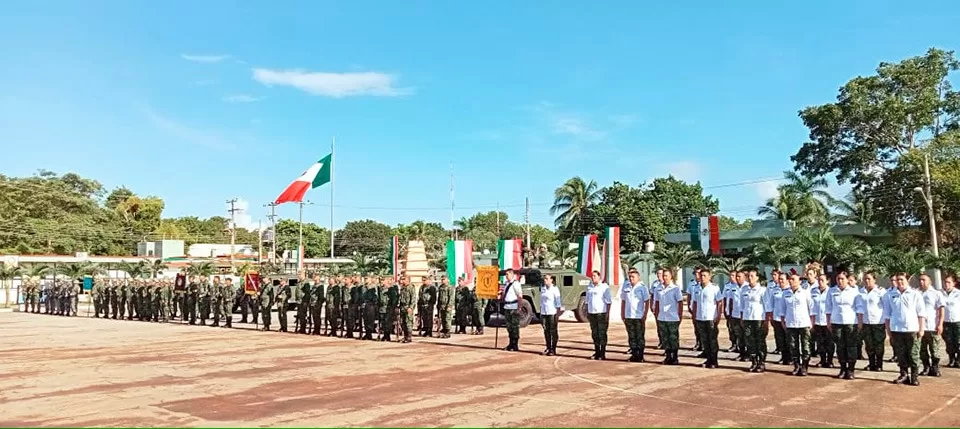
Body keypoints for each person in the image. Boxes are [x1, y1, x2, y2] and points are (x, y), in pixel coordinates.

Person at [883, 272, 924, 386]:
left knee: (913, 354)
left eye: (902, 280)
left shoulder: (915, 294)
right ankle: (904, 374)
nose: (900, 282)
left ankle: (914, 376)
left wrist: (921, 329)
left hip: (912, 329)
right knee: (901, 354)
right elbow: (887, 314)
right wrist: (888, 330)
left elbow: (921, 313)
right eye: (898, 280)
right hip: (896, 329)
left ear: (907, 280)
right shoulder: (889, 295)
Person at [826, 271, 862, 380]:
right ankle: (842, 368)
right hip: (837, 322)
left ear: (847, 280)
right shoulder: (832, 291)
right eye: (838, 279)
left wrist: (860, 322)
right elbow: (828, 308)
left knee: (851, 346)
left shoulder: (854, 292)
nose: (840, 281)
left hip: (851, 322)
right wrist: (828, 322)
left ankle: (851, 369)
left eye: (842, 279)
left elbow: (859, 308)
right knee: (840, 346)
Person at [778, 273, 814, 376]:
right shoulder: (785, 294)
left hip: (804, 323)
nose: (790, 281)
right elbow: (782, 310)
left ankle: (804, 367)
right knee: (793, 346)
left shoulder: (805, 293)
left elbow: (811, 308)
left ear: (799, 281)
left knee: (805, 346)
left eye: (793, 279)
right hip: (791, 323)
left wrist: (812, 322)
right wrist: (783, 322)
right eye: (790, 279)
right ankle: (796, 366)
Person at [691, 268, 723, 368]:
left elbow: (719, 303)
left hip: (710, 318)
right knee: (705, 340)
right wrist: (694, 315)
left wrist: (718, 316)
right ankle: (708, 359)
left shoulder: (714, 288)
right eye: (701, 275)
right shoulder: (697, 288)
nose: (702, 277)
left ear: (709, 277)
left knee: (712, 340)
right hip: (700, 318)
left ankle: (714, 361)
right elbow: (695, 303)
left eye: (705, 275)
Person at [740, 269, 770, 373]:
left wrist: (766, 321)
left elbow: (767, 307)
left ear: (757, 278)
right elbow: (742, 306)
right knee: (750, 341)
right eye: (748, 276)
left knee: (760, 341)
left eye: (752, 276)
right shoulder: (744, 290)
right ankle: (753, 361)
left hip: (759, 319)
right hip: (748, 318)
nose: (750, 278)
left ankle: (761, 362)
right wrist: (742, 318)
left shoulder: (763, 290)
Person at [858, 272, 887, 371]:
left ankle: (879, 364)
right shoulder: (861, 292)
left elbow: (886, 307)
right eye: (865, 279)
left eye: (869, 279)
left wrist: (886, 321)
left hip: (878, 322)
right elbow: (860, 308)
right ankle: (871, 363)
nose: (867, 281)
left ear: (874, 280)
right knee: (869, 344)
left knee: (878, 344)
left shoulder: (881, 291)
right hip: (866, 322)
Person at [918, 273, 945, 377]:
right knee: (922, 350)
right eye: (920, 280)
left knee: (935, 350)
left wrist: (940, 324)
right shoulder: (916, 293)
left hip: (932, 326)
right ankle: (926, 367)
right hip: (920, 327)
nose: (921, 282)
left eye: (924, 280)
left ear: (930, 281)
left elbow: (941, 311)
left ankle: (935, 368)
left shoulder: (936, 294)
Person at [655, 269, 683, 365]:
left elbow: (680, 302)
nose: (665, 278)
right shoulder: (659, 288)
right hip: (662, 317)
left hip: (672, 317)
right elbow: (657, 303)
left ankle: (674, 357)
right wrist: (657, 314)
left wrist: (679, 315)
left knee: (673, 338)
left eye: (666, 275)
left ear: (671, 277)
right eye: (663, 276)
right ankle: (668, 356)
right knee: (665, 339)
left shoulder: (675, 288)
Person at [621, 269, 650, 362]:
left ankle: (640, 355)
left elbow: (647, 301)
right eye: (630, 277)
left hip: (638, 316)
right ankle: (634, 354)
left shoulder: (642, 287)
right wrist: (622, 313)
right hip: (629, 315)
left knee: (639, 337)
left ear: (638, 277)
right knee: (631, 336)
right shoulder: (626, 287)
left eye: (633, 277)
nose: (631, 279)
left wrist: (645, 314)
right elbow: (623, 301)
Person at [585, 270, 612, 360]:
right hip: (592, 313)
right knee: (594, 333)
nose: (593, 278)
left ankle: (602, 353)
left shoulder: (604, 287)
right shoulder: (589, 287)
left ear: (599, 277)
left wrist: (607, 313)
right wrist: (587, 311)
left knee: (602, 334)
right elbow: (587, 301)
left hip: (601, 313)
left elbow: (608, 302)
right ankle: (597, 352)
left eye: (595, 276)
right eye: (592, 276)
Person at [812, 273, 834, 368]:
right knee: (820, 342)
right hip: (817, 321)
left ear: (827, 281)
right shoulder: (813, 291)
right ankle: (822, 360)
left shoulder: (831, 292)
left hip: (828, 321)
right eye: (819, 280)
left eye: (822, 280)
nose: (820, 282)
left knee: (829, 342)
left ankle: (830, 361)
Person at [769, 273, 790, 365]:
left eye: (782, 279)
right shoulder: (775, 290)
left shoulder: (790, 290)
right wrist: (771, 317)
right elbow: (771, 304)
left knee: (789, 339)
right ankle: (784, 357)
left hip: (788, 319)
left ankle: (791, 357)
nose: (780, 281)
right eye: (780, 279)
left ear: (787, 280)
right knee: (780, 339)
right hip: (777, 318)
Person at [540, 274, 563, 356]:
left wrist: (558, 312)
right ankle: (548, 347)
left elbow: (558, 302)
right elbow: (542, 301)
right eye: (544, 279)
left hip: (552, 312)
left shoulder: (555, 289)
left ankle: (553, 349)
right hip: (544, 312)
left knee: (553, 331)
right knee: (546, 331)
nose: (545, 280)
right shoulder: (543, 289)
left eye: (546, 278)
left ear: (551, 280)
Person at [502, 269, 524, 352]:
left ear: (512, 274)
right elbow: (504, 294)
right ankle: (510, 343)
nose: (506, 276)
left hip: (514, 307)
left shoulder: (516, 284)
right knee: (509, 327)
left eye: (507, 274)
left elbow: (519, 296)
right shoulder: (506, 284)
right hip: (507, 307)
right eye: (506, 274)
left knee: (515, 327)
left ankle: (515, 344)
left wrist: (519, 307)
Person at [941, 273, 960, 368]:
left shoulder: (958, 293)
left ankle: (958, 360)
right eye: (945, 282)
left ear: (954, 283)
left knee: (958, 341)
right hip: (946, 322)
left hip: (957, 321)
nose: (946, 284)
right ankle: (951, 359)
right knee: (949, 342)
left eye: (949, 282)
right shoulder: (940, 293)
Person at [722, 270, 741, 354]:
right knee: (731, 329)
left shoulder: (740, 286)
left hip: (738, 312)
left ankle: (741, 346)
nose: (731, 277)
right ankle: (734, 344)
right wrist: (725, 310)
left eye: (733, 275)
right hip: (729, 311)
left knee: (740, 330)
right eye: (730, 275)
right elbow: (725, 299)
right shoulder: (727, 286)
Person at [689, 268, 703, 354]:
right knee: (696, 328)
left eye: (698, 273)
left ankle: (703, 345)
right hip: (694, 309)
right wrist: (690, 307)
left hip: (703, 311)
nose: (697, 275)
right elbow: (689, 296)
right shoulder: (692, 284)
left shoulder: (705, 285)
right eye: (696, 273)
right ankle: (698, 342)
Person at [650, 269, 665, 349]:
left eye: (660, 273)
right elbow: (652, 296)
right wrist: (651, 306)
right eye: (658, 273)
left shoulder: (666, 284)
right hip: (657, 308)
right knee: (659, 326)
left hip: (665, 309)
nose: (659, 275)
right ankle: (661, 341)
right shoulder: (655, 284)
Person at [399, 277, 417, 343]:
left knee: (408, 323)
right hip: (402, 307)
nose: (402, 281)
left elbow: (413, 298)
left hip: (408, 307)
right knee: (402, 322)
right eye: (402, 280)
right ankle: (405, 336)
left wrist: (411, 307)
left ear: (408, 280)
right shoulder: (402, 288)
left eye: (404, 280)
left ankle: (409, 337)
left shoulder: (411, 287)